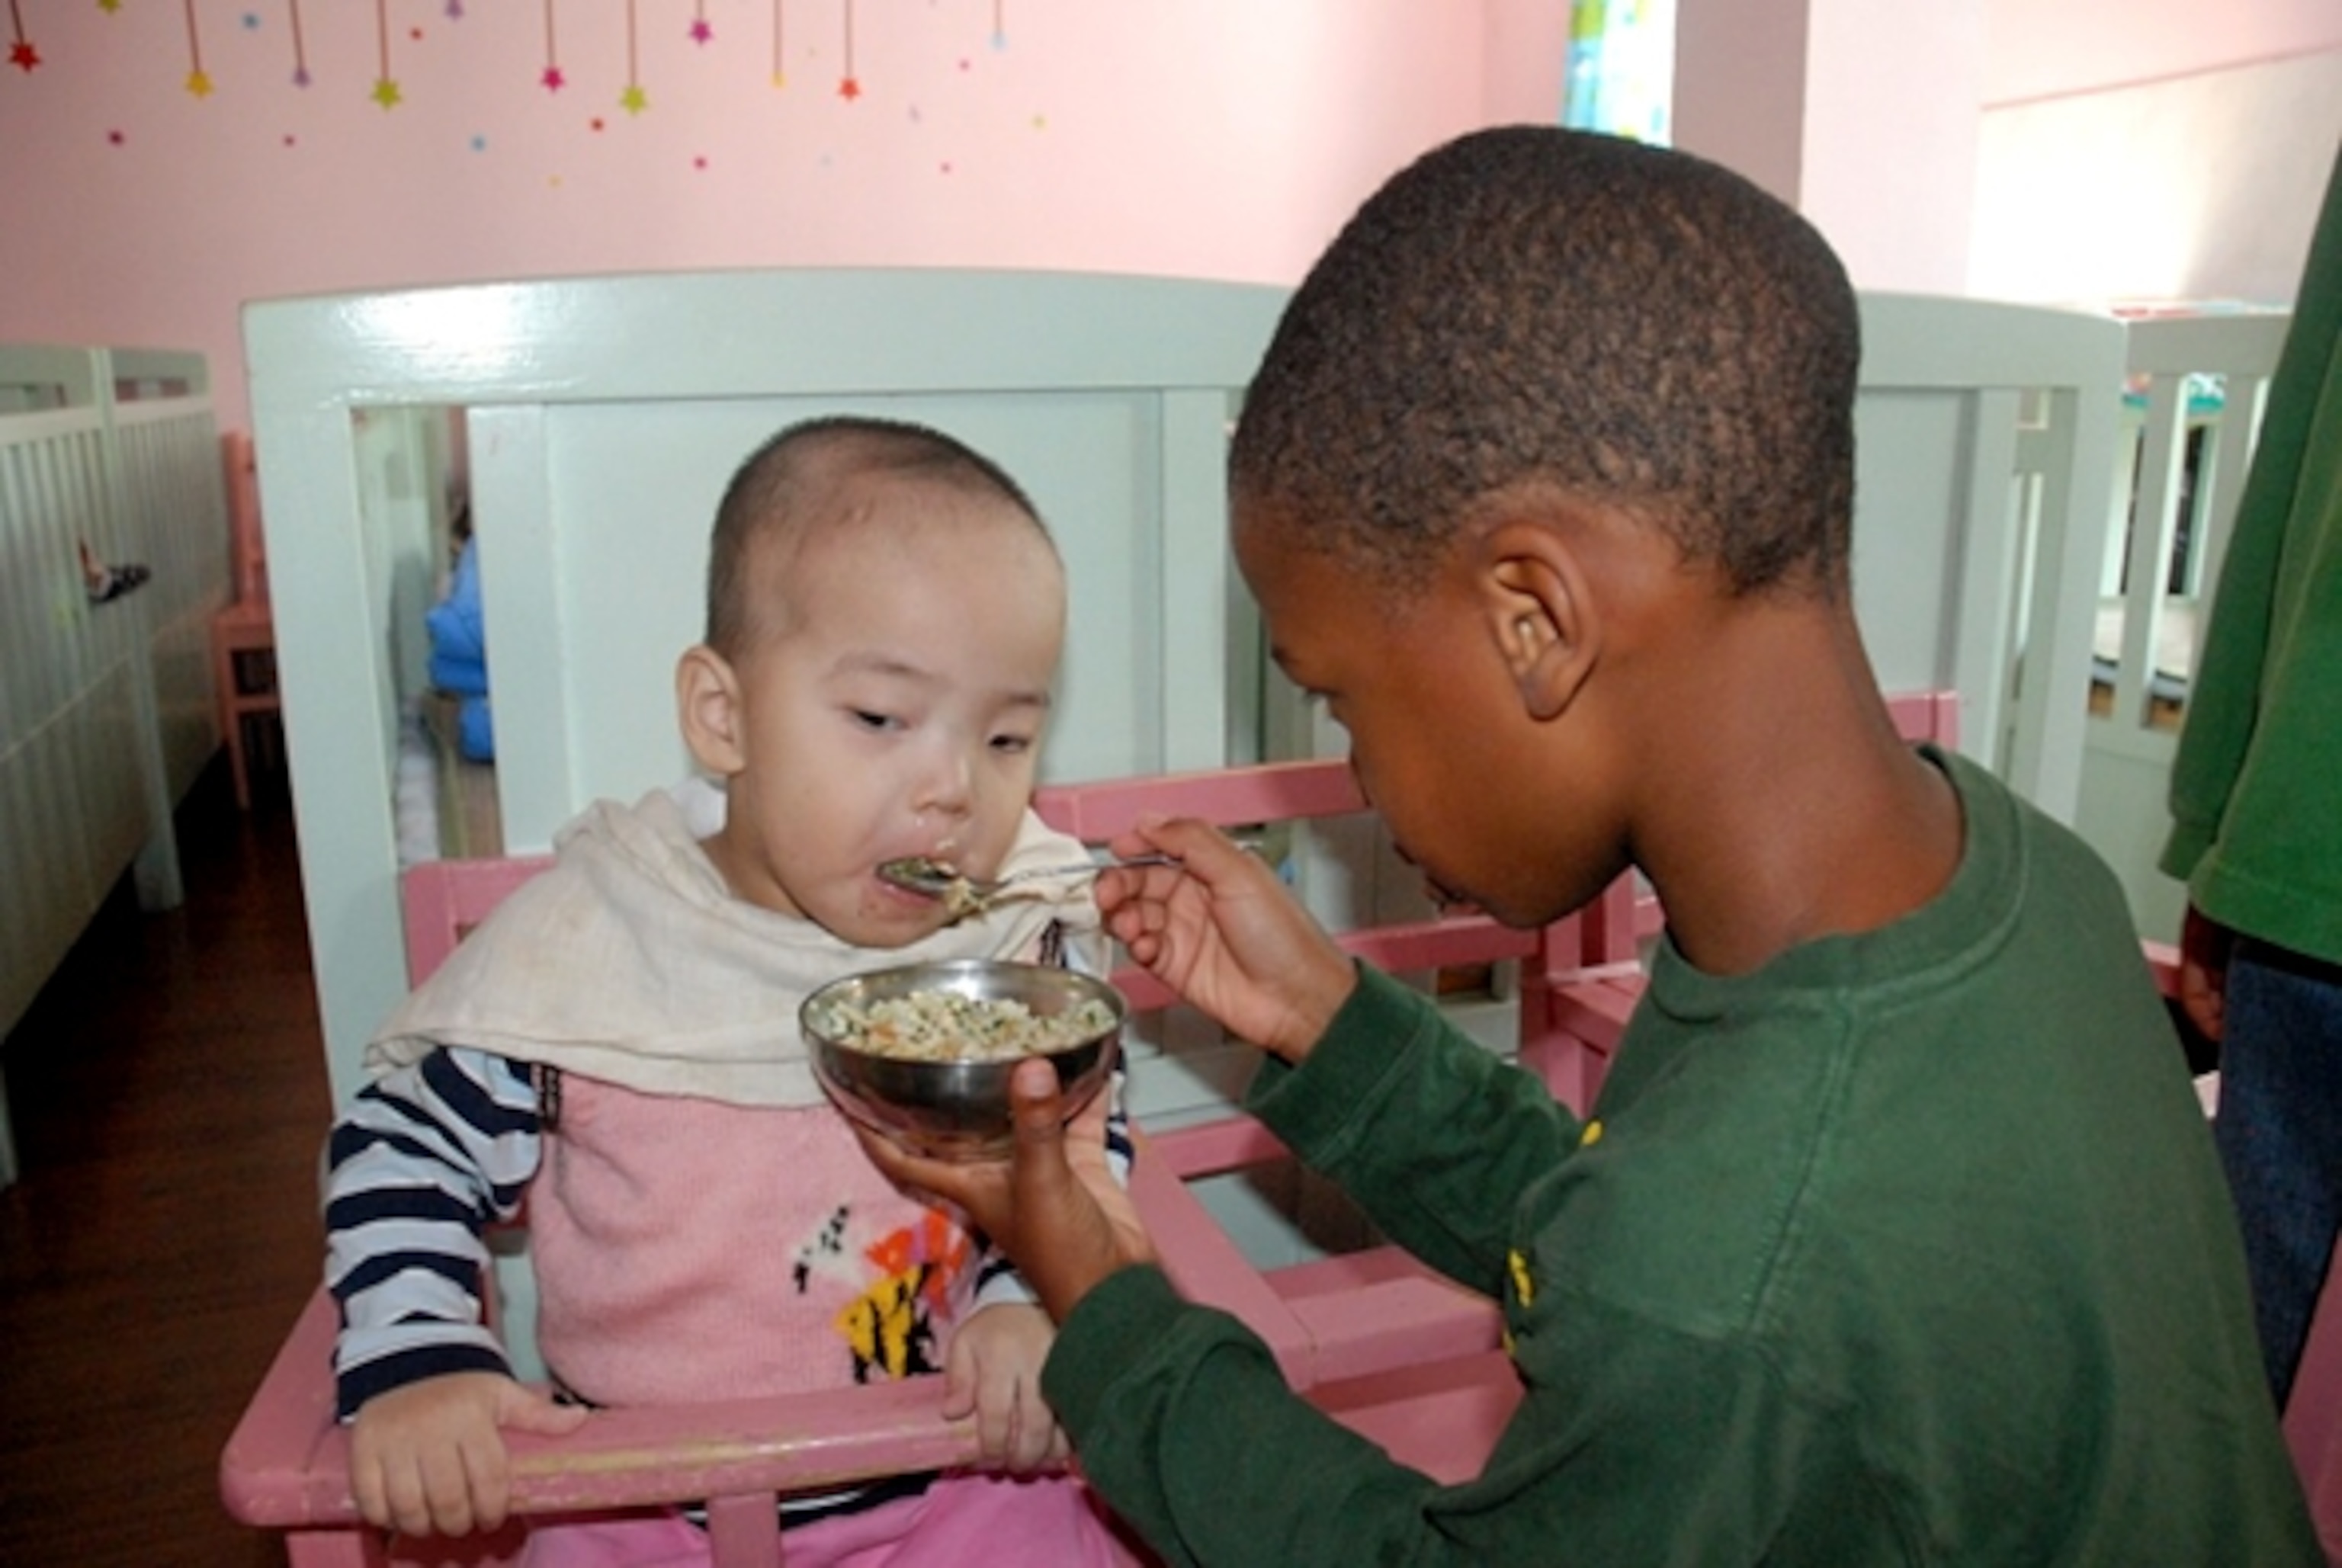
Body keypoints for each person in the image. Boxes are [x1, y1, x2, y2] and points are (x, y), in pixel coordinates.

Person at [864, 127, 2321, 1563]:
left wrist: (1108, 1304)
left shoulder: (1726, 1262)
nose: (1363, 776)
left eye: (1345, 699)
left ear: (1534, 621)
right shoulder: (2012, 880)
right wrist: (1330, 1024)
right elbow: (1637, 1230)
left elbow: (1693, 1282)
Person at [323, 416, 1130, 1565]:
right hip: (635, 1501)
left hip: (949, 1465)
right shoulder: (593, 953)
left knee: (1086, 1518)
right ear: (724, 714)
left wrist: (1025, 1297)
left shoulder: (1003, 953)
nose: (953, 789)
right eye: (880, 719)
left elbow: (1083, 1141)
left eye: (1006, 737)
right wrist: (425, 1356)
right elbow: (401, 1148)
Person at [2164, 140, 2342, 1412]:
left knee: (2228, 1400)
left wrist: (2219, 819)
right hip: (2307, 855)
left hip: (2314, 834)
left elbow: (2288, 474)